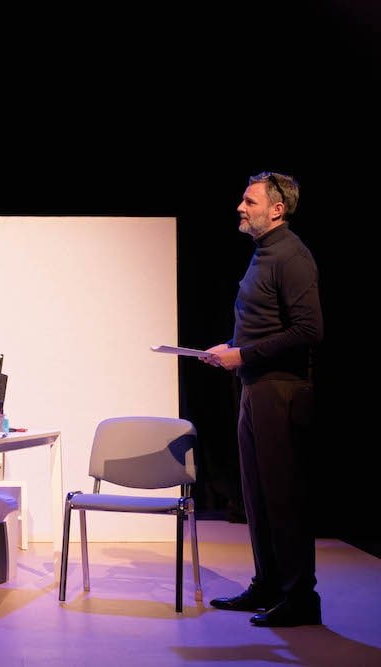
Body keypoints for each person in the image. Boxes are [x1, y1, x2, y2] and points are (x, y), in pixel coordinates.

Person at [202, 171, 323, 627]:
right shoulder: (263, 253)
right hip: (255, 386)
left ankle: (300, 598)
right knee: (256, 494)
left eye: (249, 201)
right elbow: (264, 323)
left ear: (277, 209)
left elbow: (309, 330)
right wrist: (231, 349)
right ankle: (269, 584)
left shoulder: (292, 255)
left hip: (281, 390)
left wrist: (243, 354)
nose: (240, 207)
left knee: (284, 496)